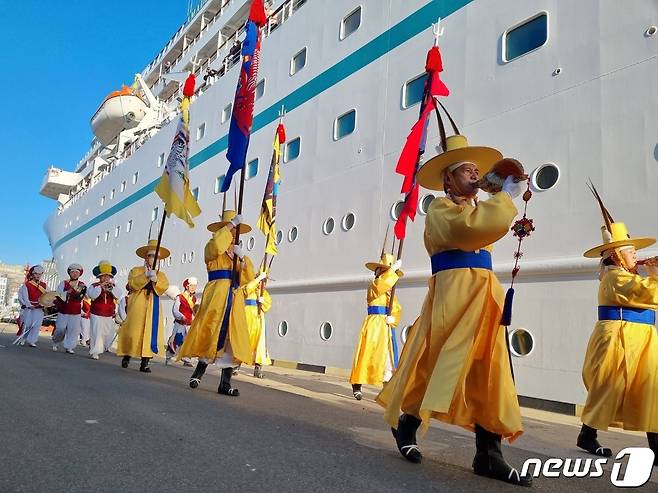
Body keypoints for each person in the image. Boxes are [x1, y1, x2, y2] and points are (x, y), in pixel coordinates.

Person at [376, 134, 532, 486]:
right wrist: (504, 196)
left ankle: (488, 454)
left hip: (483, 295)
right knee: (439, 365)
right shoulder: (440, 210)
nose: (476, 175)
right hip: (454, 295)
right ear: (448, 179)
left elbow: (485, 224)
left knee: (489, 371)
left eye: (479, 170)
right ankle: (407, 424)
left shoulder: (477, 208)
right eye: (468, 170)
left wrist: (502, 194)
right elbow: (469, 232)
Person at [579, 204, 658, 464]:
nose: (636, 255)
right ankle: (587, 435)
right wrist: (655, 275)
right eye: (631, 251)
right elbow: (646, 292)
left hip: (642, 338)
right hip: (618, 338)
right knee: (609, 388)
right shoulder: (615, 277)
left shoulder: (625, 274)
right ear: (617, 256)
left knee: (650, 390)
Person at [178, 210, 255, 396]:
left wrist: (243, 260)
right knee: (210, 331)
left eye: (236, 232)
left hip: (233, 298)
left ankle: (225, 383)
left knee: (231, 338)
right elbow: (214, 247)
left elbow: (247, 278)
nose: (233, 235)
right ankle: (199, 370)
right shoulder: (212, 248)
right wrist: (230, 225)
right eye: (231, 231)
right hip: (216, 295)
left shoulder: (236, 254)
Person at [349, 253, 402, 400]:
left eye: (387, 271)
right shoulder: (374, 285)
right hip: (374, 325)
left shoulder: (391, 294)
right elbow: (380, 286)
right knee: (367, 353)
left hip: (385, 327)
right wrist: (392, 272)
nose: (385, 274)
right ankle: (357, 384)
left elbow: (397, 308)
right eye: (383, 271)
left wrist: (394, 319)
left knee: (387, 358)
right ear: (378, 272)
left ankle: (387, 391)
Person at [116, 239, 170, 373]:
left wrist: (156, 281)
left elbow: (164, 287)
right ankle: (127, 354)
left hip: (153, 303)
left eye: (157, 257)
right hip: (138, 301)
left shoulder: (161, 274)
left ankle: (145, 362)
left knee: (150, 331)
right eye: (152, 256)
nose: (155, 259)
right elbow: (132, 284)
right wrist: (145, 276)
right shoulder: (136, 270)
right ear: (146, 257)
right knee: (134, 330)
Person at [87, 261, 122, 360]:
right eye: (104, 276)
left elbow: (118, 295)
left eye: (108, 276)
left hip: (108, 314)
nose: (106, 278)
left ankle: (98, 346)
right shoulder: (94, 286)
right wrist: (100, 287)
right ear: (100, 277)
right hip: (96, 313)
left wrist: (111, 289)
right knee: (96, 332)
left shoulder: (113, 286)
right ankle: (95, 351)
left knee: (106, 333)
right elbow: (92, 296)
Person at [242, 268, 271, 378]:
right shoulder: (250, 288)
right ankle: (236, 365)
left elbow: (267, 306)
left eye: (264, 281)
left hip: (259, 320)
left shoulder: (264, 294)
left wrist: (262, 301)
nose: (262, 283)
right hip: (247, 318)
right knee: (245, 341)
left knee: (259, 344)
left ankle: (258, 368)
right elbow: (246, 290)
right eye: (261, 281)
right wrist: (258, 279)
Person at [52, 263, 86, 354]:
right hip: (64, 310)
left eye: (76, 272)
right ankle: (56, 342)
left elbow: (81, 298)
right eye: (73, 272)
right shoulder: (63, 283)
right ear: (70, 273)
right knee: (60, 328)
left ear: (79, 274)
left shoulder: (82, 285)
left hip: (75, 311)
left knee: (73, 330)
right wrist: (67, 292)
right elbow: (58, 295)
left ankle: (69, 346)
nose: (75, 274)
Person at [166, 277, 198, 366]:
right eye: (192, 286)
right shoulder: (180, 297)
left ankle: (186, 358)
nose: (194, 288)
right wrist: (181, 316)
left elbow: (195, 310)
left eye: (195, 286)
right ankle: (169, 356)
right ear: (187, 286)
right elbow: (175, 310)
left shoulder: (194, 299)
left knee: (188, 341)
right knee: (177, 339)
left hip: (189, 323)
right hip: (180, 323)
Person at [17, 265, 46, 347]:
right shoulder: (27, 285)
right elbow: (23, 296)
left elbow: (48, 296)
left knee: (36, 325)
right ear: (33, 274)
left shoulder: (44, 285)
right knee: (27, 324)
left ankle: (32, 341)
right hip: (29, 308)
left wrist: (46, 304)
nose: (38, 276)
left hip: (39, 308)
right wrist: (28, 305)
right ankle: (23, 338)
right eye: (36, 274)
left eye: (40, 274)